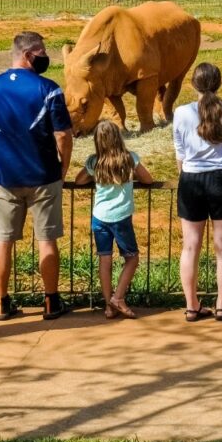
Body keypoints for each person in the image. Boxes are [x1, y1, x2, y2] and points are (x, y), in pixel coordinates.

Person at [0, 31, 73, 321]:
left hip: (6, 178)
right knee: (47, 239)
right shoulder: (49, 89)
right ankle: (51, 302)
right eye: (42, 52)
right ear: (28, 55)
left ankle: (1, 302)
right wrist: (63, 166)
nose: (46, 57)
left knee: (3, 239)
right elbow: (63, 135)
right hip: (44, 176)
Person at [173, 62, 222, 322]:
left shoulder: (181, 112)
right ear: (219, 83)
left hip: (191, 179)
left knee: (190, 246)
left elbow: (180, 153)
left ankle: (191, 305)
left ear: (193, 84)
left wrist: (185, 173)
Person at [75, 120, 153, 319]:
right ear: (118, 137)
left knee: (105, 259)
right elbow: (148, 179)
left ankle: (108, 306)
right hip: (121, 217)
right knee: (132, 258)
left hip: (99, 217)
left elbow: (79, 180)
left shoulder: (94, 162)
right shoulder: (129, 159)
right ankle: (118, 298)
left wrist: (94, 175)